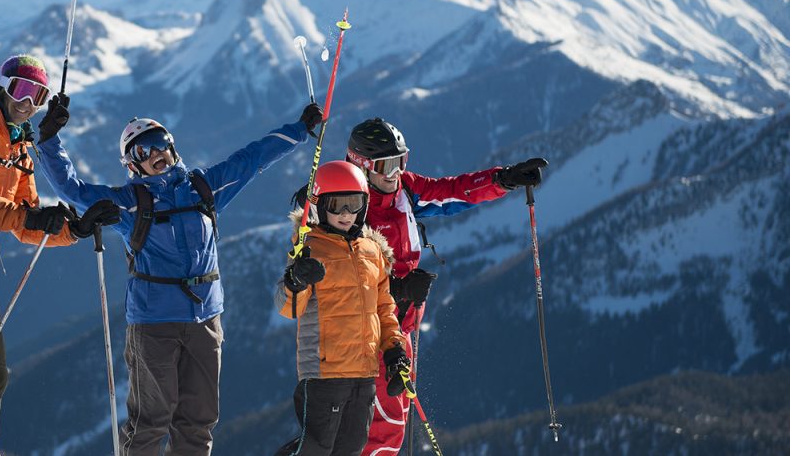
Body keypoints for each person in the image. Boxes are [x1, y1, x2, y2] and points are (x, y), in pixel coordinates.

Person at [34, 96, 324, 455]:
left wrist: (299, 131)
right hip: (155, 323)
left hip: (206, 319)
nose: (156, 152)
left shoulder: (203, 188)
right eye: (143, 150)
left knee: (198, 420)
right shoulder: (130, 202)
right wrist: (48, 140)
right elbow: (72, 190)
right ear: (132, 164)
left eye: (161, 143)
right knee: (150, 420)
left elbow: (250, 160)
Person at [0, 55, 120, 456]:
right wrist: (31, 215)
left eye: (37, 95)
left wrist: (74, 228)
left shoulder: (19, 142)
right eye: (21, 89)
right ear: (2, 85)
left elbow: (26, 220)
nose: (27, 102)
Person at [342, 118, 547, 456]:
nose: (395, 173)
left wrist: (502, 179)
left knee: (390, 426)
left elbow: (451, 192)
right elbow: (340, 281)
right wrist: (398, 289)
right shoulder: (349, 209)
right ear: (361, 165)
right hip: (367, 339)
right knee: (380, 430)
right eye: (386, 165)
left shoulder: (403, 191)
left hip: (399, 331)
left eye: (401, 161)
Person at [275, 161, 408, 456]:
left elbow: (385, 309)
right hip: (325, 370)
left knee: (351, 447)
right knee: (316, 447)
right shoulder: (310, 247)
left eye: (354, 204)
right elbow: (288, 308)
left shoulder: (373, 251)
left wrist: (394, 351)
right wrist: (296, 279)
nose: (346, 214)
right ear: (321, 206)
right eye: (336, 205)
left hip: (364, 371)